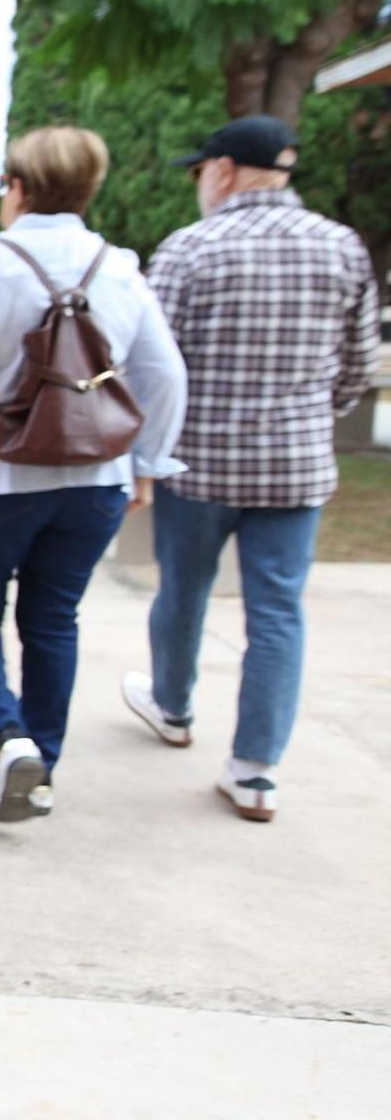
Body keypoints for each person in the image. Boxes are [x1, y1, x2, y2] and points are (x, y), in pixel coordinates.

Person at [0, 127, 188, 823]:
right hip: (97, 477)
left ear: (17, 187)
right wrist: (148, 464)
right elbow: (166, 374)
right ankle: (43, 768)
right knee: (53, 616)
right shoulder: (120, 267)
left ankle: (9, 737)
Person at [121, 115, 382, 822]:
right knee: (277, 611)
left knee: (184, 590)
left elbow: (152, 365)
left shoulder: (189, 249)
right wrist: (308, 413)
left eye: (200, 171)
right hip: (296, 470)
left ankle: (172, 706)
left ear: (225, 170)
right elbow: (358, 364)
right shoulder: (341, 247)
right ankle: (255, 769)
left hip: (200, 464)